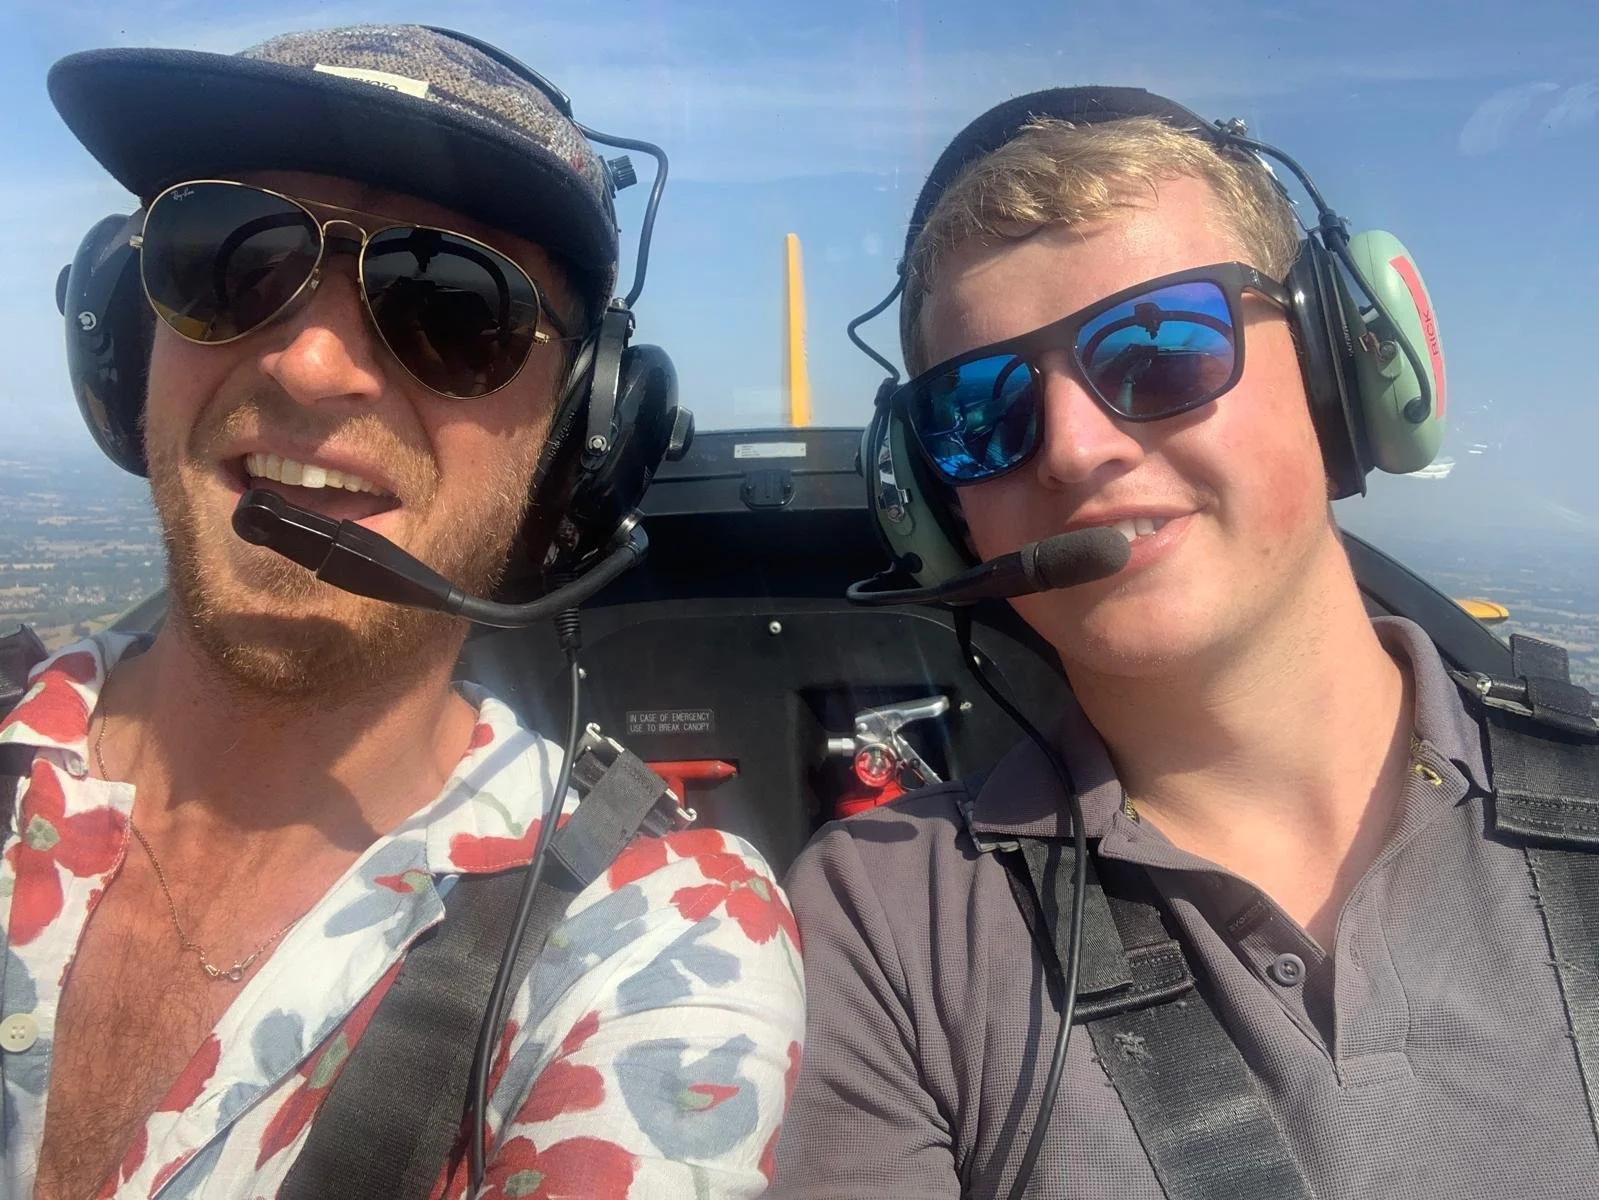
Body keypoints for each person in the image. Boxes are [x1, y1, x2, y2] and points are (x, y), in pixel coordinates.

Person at [1, 24, 802, 1200]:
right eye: (226, 256)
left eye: (452, 306)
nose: (310, 364)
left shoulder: (651, 938)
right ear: (129, 329)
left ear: (578, 438)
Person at [771, 87, 1599, 1198]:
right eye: (981, 409)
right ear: (936, 505)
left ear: (1338, 369)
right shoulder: (889, 928)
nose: (1073, 450)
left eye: (1158, 348)